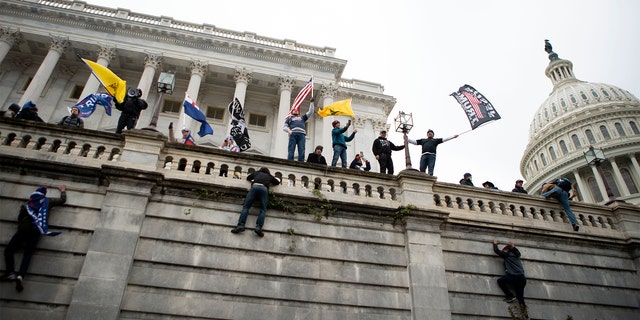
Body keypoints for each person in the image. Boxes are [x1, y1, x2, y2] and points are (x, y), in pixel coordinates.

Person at [1, 185, 67, 292]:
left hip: (23, 230)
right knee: (27, 254)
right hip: (37, 230)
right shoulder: (47, 202)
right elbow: (62, 200)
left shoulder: (27, 204)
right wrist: (63, 190)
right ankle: (20, 276)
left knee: (9, 250)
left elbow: (19, 217)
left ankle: (11, 272)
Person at [231, 167, 281, 237]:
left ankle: (240, 226)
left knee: (246, 207)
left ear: (260, 170)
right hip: (264, 189)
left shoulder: (256, 173)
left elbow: (248, 178)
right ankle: (258, 228)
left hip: (254, 187)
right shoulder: (269, 176)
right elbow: (277, 182)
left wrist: (254, 180)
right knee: (263, 209)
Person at [492, 239, 528, 318]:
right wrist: (513, 246)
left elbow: (497, 251)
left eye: (503, 250)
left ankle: (510, 295)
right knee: (521, 299)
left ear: (506, 250)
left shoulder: (508, 254)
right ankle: (526, 316)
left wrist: (495, 244)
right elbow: (518, 253)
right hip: (522, 279)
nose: (503, 252)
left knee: (500, 281)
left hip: (515, 277)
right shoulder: (516, 255)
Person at [283, 97, 315, 161]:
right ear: (292, 112)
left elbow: (310, 112)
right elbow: (284, 127)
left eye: (297, 110)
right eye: (294, 110)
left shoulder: (302, 117)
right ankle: (290, 161)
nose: (296, 110)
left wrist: (312, 103)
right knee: (291, 149)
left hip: (302, 134)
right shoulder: (289, 119)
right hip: (293, 134)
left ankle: (301, 162)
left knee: (302, 149)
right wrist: (289, 131)